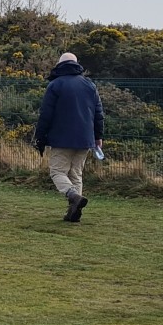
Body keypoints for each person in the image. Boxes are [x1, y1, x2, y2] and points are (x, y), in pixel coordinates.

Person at [33, 52, 104, 223]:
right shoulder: (89, 85)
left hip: (61, 137)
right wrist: (98, 136)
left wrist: (40, 136)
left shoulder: (55, 85)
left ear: (59, 65)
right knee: (76, 174)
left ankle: (72, 196)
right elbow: (99, 113)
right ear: (76, 64)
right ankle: (73, 211)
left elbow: (46, 114)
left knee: (57, 171)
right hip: (85, 138)